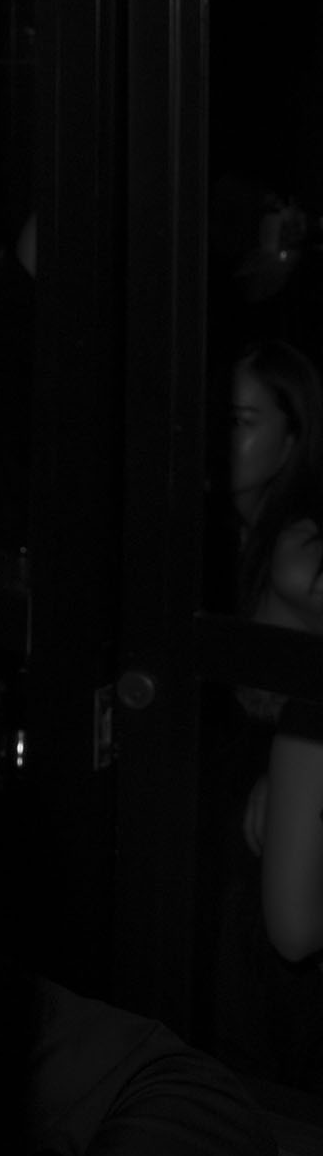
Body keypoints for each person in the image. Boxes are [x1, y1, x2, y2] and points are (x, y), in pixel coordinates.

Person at [229, 342, 323, 965]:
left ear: (291, 440)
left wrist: (291, 777)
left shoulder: (294, 554)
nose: (220, 438)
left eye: (241, 421)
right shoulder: (235, 539)